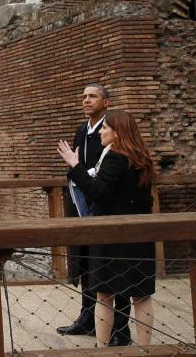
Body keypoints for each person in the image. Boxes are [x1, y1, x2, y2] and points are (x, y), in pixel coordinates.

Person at [57, 110, 157, 347]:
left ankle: (103, 350)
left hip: (112, 235)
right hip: (140, 234)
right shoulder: (141, 157)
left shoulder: (114, 156)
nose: (100, 132)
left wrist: (75, 165)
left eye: (105, 128)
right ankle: (146, 349)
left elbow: (98, 192)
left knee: (104, 295)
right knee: (141, 295)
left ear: (117, 132)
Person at [56, 84, 132, 346]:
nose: (87, 101)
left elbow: (103, 172)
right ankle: (88, 316)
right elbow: (75, 164)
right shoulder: (81, 129)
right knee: (86, 262)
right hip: (82, 203)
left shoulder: (114, 131)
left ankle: (120, 327)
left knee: (113, 266)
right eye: (84, 97)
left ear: (106, 102)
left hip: (105, 204)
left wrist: (84, 173)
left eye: (93, 96)